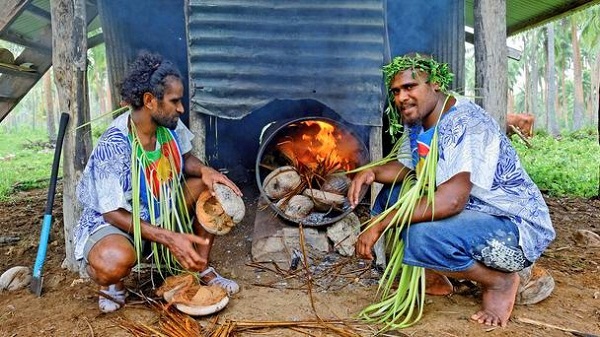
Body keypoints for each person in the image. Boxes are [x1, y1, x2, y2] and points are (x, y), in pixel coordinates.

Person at [347, 54, 555, 327]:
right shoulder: (421, 123)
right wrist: (371, 172)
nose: (401, 97)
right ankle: (435, 277)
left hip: (513, 228)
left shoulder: (464, 123)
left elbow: (452, 200)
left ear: (435, 84)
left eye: (410, 87)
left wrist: (381, 223)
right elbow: (409, 169)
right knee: (392, 195)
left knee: (420, 235)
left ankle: (500, 281)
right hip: (474, 215)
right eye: (396, 91)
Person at [74, 51, 243, 313]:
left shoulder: (169, 127)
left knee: (210, 189)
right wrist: (170, 237)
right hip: (119, 222)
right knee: (114, 260)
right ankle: (112, 284)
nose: (181, 109)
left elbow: (185, 158)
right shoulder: (115, 143)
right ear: (150, 100)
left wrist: (206, 170)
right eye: (175, 101)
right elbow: (112, 213)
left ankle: (196, 268)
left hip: (159, 208)